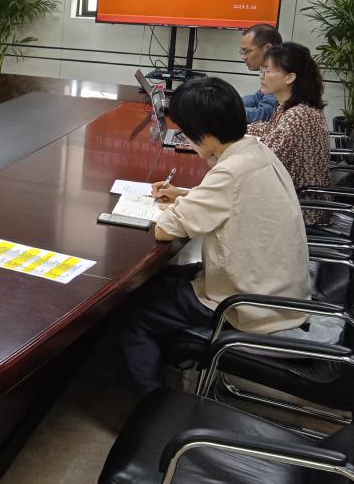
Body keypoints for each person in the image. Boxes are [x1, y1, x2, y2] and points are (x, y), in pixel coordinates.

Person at [119, 76, 309, 396]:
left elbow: (165, 230)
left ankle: (151, 403)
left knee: (133, 308)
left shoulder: (229, 172)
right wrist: (183, 195)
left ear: (204, 133)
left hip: (248, 302)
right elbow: (232, 200)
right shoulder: (255, 150)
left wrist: (173, 206)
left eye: (186, 132)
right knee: (159, 279)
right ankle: (172, 357)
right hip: (275, 287)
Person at [247, 42, 331, 223]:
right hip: (292, 199)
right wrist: (232, 129)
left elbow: (264, 162)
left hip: (301, 210)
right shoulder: (292, 108)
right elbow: (267, 130)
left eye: (267, 70)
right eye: (261, 70)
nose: (261, 76)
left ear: (289, 77)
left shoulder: (296, 116)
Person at [239, 23, 282, 123]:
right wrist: (226, 101)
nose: (243, 57)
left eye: (247, 51)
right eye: (242, 52)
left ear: (268, 48)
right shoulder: (271, 73)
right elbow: (255, 99)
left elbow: (265, 115)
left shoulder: (280, 74)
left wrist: (226, 109)